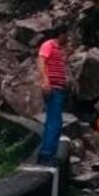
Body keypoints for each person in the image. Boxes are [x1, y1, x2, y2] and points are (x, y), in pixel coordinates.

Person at [36, 23, 69, 165]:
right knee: (54, 122)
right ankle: (46, 154)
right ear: (61, 34)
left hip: (58, 88)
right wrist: (45, 81)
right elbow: (41, 61)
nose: (68, 37)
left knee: (54, 121)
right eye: (67, 34)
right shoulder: (48, 45)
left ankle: (49, 152)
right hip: (53, 88)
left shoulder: (60, 49)